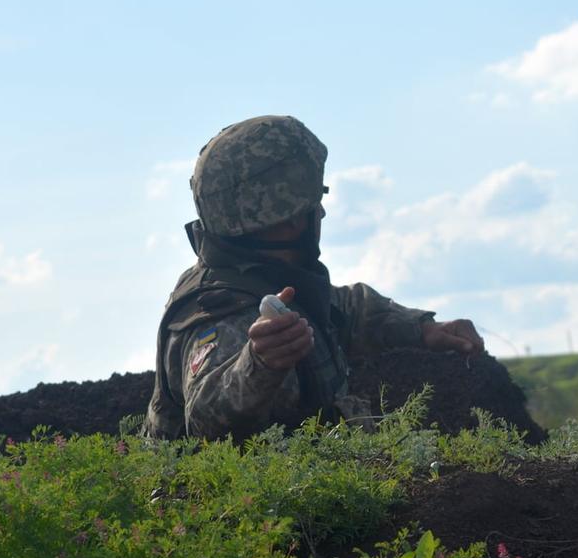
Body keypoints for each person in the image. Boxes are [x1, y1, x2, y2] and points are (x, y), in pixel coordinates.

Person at [144, 115, 484, 440]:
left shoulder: (267, 281)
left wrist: (423, 329)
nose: (320, 211)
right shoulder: (223, 314)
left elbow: (342, 308)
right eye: (313, 202)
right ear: (292, 219)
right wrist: (258, 364)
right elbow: (204, 419)